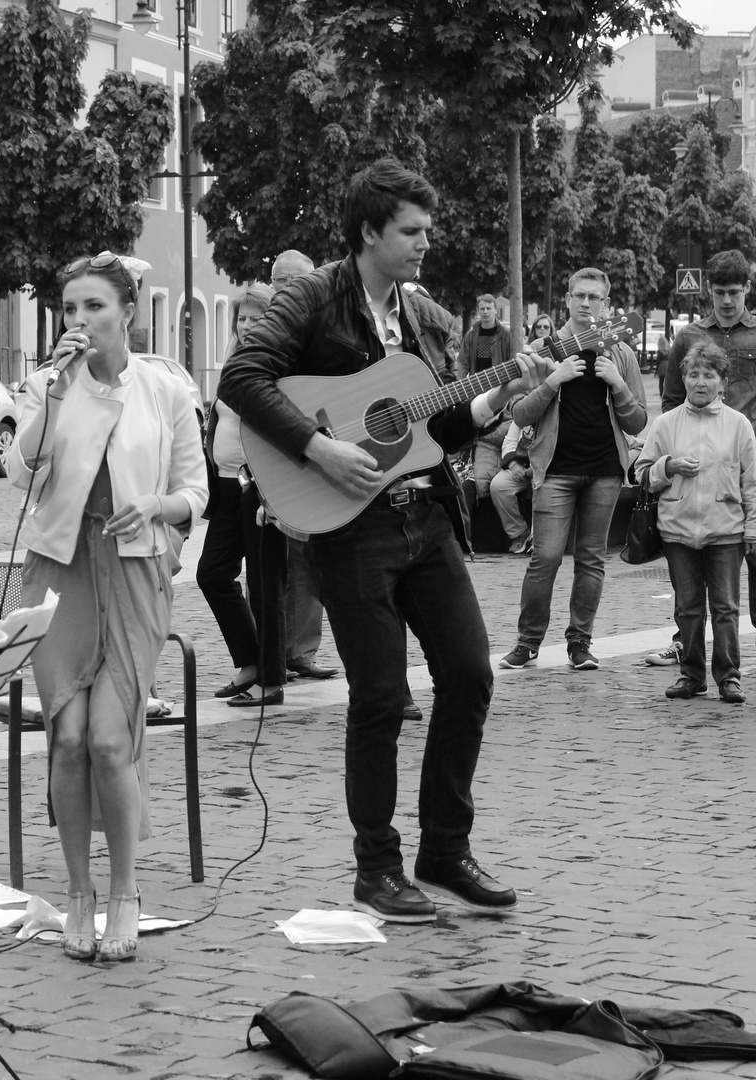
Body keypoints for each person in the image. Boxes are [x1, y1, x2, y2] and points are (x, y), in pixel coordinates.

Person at [220, 159, 541, 923]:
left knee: (469, 674)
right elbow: (242, 378)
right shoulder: (311, 297)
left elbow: (439, 427)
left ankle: (445, 851)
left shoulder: (426, 317)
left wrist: (504, 396)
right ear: (369, 232)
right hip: (350, 526)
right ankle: (377, 869)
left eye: (428, 229)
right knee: (381, 698)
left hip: (426, 518)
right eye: (412, 231)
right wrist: (318, 448)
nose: (427, 242)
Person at [10, 251, 207, 963]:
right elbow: (21, 471)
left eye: (94, 306)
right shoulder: (46, 386)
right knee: (64, 737)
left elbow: (197, 490)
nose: (81, 320)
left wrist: (157, 506)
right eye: (70, 309)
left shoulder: (166, 389)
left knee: (109, 739)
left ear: (127, 312)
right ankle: (78, 891)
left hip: (134, 569)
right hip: (61, 572)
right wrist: (58, 393)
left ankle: (124, 892)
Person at [648, 250, 756, 674]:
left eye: (734, 292)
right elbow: (672, 398)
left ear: (747, 288)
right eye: (719, 292)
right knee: (688, 555)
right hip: (695, 466)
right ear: (708, 291)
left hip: (750, 459)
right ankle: (686, 643)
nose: (727, 300)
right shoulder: (690, 337)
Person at [499, 268, 648, 672]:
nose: (586, 303)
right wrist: (553, 382)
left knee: (591, 559)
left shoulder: (621, 352)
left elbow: (638, 423)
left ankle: (580, 643)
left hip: (604, 471)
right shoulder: (544, 349)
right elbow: (519, 412)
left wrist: (618, 385)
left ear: (606, 304)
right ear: (566, 299)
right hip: (555, 471)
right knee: (544, 557)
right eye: (579, 296)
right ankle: (528, 642)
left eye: (594, 297)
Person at [638, 341, 756, 704]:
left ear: (722, 382)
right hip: (678, 531)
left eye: (708, 375)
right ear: (682, 378)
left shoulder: (738, 425)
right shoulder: (666, 424)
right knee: (688, 608)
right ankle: (691, 675)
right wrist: (669, 466)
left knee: (726, 607)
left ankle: (729, 675)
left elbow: (752, 483)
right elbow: (643, 474)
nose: (700, 382)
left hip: (725, 530)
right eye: (693, 374)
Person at [199, 284, 288, 708]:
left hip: (262, 486)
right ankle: (250, 662)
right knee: (212, 573)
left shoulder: (280, 361)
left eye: (255, 317)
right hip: (226, 484)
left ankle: (271, 680)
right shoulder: (235, 360)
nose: (246, 325)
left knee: (264, 582)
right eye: (242, 318)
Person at [268, 250, 340, 684]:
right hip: (270, 456)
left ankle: (302, 651)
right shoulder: (266, 331)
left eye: (304, 282)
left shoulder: (323, 330)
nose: (294, 290)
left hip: (317, 454)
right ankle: (272, 654)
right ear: (273, 283)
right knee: (271, 569)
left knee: (308, 561)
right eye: (286, 281)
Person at [460, 293, 516, 502]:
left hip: (497, 386)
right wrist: (458, 385)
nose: (485, 312)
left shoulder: (504, 334)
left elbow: (511, 358)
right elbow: (463, 360)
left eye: (488, 308)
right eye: (481, 309)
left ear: (495, 310)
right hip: (476, 386)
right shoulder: (472, 333)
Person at [490, 413, 533, 554]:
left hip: (548, 467)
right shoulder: (525, 410)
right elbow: (509, 442)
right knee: (498, 485)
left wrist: (536, 468)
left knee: (541, 485)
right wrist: (514, 464)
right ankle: (519, 532)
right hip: (521, 466)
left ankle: (538, 538)